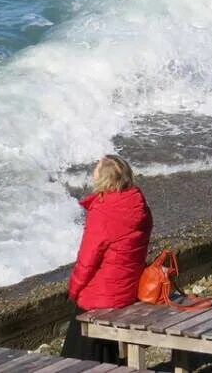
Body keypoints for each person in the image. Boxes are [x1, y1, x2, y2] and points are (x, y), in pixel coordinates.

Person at [61, 154, 153, 361]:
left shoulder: (103, 211)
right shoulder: (140, 206)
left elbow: (86, 261)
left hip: (102, 296)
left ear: (103, 180)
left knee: (79, 327)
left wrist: (73, 290)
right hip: (127, 291)